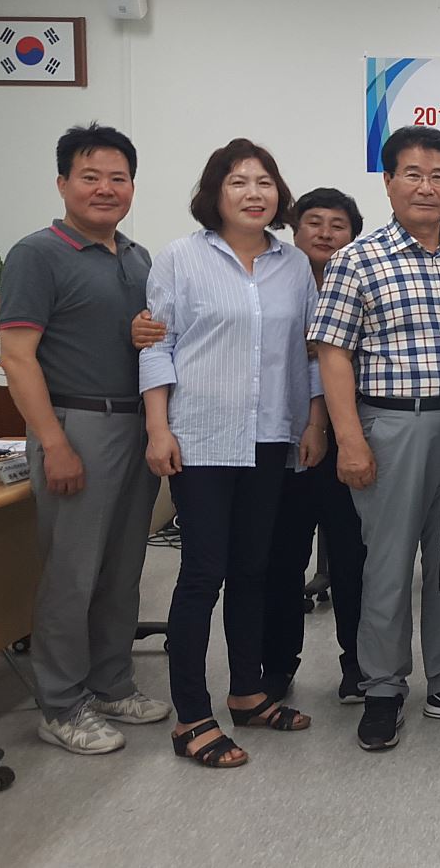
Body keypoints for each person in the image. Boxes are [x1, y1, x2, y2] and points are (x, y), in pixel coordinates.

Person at [309, 126, 440, 752]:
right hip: (391, 427)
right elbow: (333, 354)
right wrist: (349, 439)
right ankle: (382, 687)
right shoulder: (357, 259)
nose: (427, 187)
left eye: (439, 175)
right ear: (389, 182)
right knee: (389, 565)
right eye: (413, 174)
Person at [141, 139, 326, 768]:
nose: (254, 193)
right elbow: (157, 346)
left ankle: (247, 693)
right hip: (200, 437)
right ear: (215, 193)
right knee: (202, 573)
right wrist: (158, 428)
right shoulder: (180, 258)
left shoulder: (293, 265)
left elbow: (310, 352)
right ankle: (190, 716)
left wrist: (313, 421)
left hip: (271, 435)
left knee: (254, 568)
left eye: (264, 181)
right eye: (239, 182)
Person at [0, 123, 169, 755]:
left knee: (122, 568)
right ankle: (61, 704)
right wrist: (54, 442)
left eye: (118, 178)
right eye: (90, 177)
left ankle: (111, 682)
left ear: (132, 187)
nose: (105, 189)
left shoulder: (139, 258)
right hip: (76, 425)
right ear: (63, 183)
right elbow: (17, 357)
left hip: (134, 424)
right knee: (71, 573)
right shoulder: (36, 254)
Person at [263, 188, 369, 704]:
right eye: (314, 222)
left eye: (338, 225)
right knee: (282, 559)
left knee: (352, 560)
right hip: (283, 441)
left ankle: (358, 665)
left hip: (349, 439)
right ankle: (278, 665)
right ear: (294, 227)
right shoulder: (272, 279)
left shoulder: (362, 278)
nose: (325, 233)